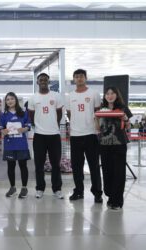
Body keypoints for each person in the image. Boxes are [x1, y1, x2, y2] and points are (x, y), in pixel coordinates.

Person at [66, 69, 103, 203]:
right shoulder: (69, 96)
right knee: (76, 166)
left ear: (86, 78)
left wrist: (96, 128)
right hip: (75, 135)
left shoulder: (93, 93)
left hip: (91, 134)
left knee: (94, 165)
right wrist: (75, 125)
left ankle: (97, 192)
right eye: (76, 77)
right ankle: (79, 191)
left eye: (81, 76)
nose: (79, 79)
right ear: (74, 79)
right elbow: (69, 114)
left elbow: (98, 113)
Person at [28, 73, 64, 199]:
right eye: (41, 80)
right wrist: (38, 126)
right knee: (39, 164)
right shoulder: (33, 98)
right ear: (37, 82)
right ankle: (40, 188)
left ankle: (57, 189)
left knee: (56, 164)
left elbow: (59, 114)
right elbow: (31, 117)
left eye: (45, 80)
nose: (43, 81)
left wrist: (53, 125)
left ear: (48, 82)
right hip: (39, 136)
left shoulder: (56, 96)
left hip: (54, 135)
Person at [95, 86, 132, 210]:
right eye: (107, 94)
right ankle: (110, 197)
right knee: (107, 171)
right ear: (105, 96)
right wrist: (96, 119)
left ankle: (117, 201)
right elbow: (98, 128)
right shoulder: (101, 109)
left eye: (112, 93)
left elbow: (128, 127)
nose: (110, 96)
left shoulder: (123, 108)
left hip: (119, 144)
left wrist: (125, 118)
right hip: (104, 145)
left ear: (117, 95)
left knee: (119, 173)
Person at [0, 92, 30, 199]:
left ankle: (24, 188)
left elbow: (28, 126)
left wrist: (23, 129)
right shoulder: (3, 115)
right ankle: (12, 187)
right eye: (7, 99)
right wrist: (4, 131)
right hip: (9, 145)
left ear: (15, 100)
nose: (10, 101)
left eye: (12, 99)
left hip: (21, 144)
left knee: (23, 166)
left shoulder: (23, 112)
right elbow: (0, 129)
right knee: (10, 167)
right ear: (5, 102)